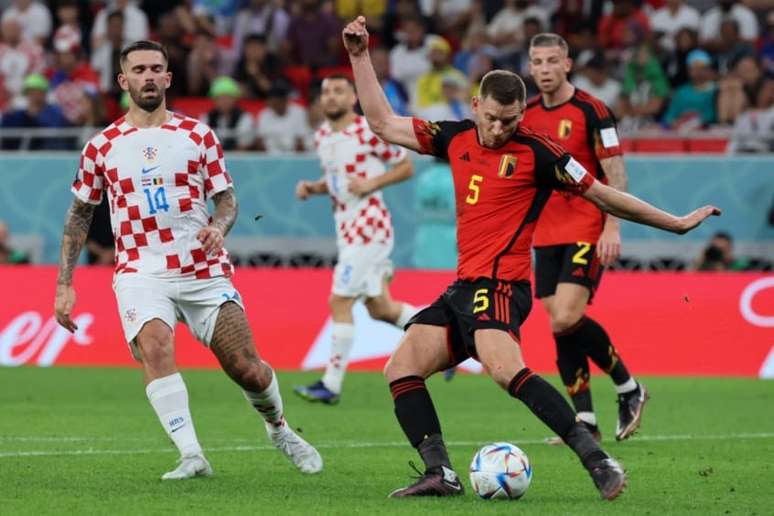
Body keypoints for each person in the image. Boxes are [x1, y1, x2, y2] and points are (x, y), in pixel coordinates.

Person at [342, 15, 720, 500]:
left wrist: (676, 222)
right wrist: (359, 56)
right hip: (462, 286)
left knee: (505, 371)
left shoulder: (542, 154)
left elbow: (604, 194)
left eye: (511, 120)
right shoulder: (454, 137)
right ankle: (441, 473)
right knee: (400, 369)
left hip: (501, 287)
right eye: (492, 118)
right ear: (476, 106)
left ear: (523, 114)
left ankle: (597, 459)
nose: (500, 129)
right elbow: (381, 122)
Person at [53, 40, 322, 480]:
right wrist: (65, 283)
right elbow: (80, 212)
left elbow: (228, 200)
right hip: (141, 271)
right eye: (138, 70)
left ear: (168, 78)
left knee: (247, 368)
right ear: (123, 81)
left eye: (156, 68)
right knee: (156, 348)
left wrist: (218, 227)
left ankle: (279, 428)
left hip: (202, 269)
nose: (148, 76)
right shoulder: (101, 146)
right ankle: (192, 454)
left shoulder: (198, 135)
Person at [523, 32, 647, 445]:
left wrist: (613, 224)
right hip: (545, 232)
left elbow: (615, 172)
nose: (544, 69)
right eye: (537, 62)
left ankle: (629, 387)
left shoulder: (593, 110)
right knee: (561, 325)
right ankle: (587, 421)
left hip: (586, 224)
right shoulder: (526, 115)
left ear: (567, 64)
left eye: (551, 61)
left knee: (565, 317)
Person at [293, 75, 418, 404]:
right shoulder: (322, 136)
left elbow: (405, 167)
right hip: (347, 229)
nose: (331, 97)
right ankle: (447, 337)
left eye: (338, 91)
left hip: (369, 226)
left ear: (352, 98)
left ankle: (330, 385)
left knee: (340, 301)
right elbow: (337, 181)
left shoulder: (366, 131)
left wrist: (371, 183)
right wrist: (313, 187)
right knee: (381, 309)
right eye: (326, 92)